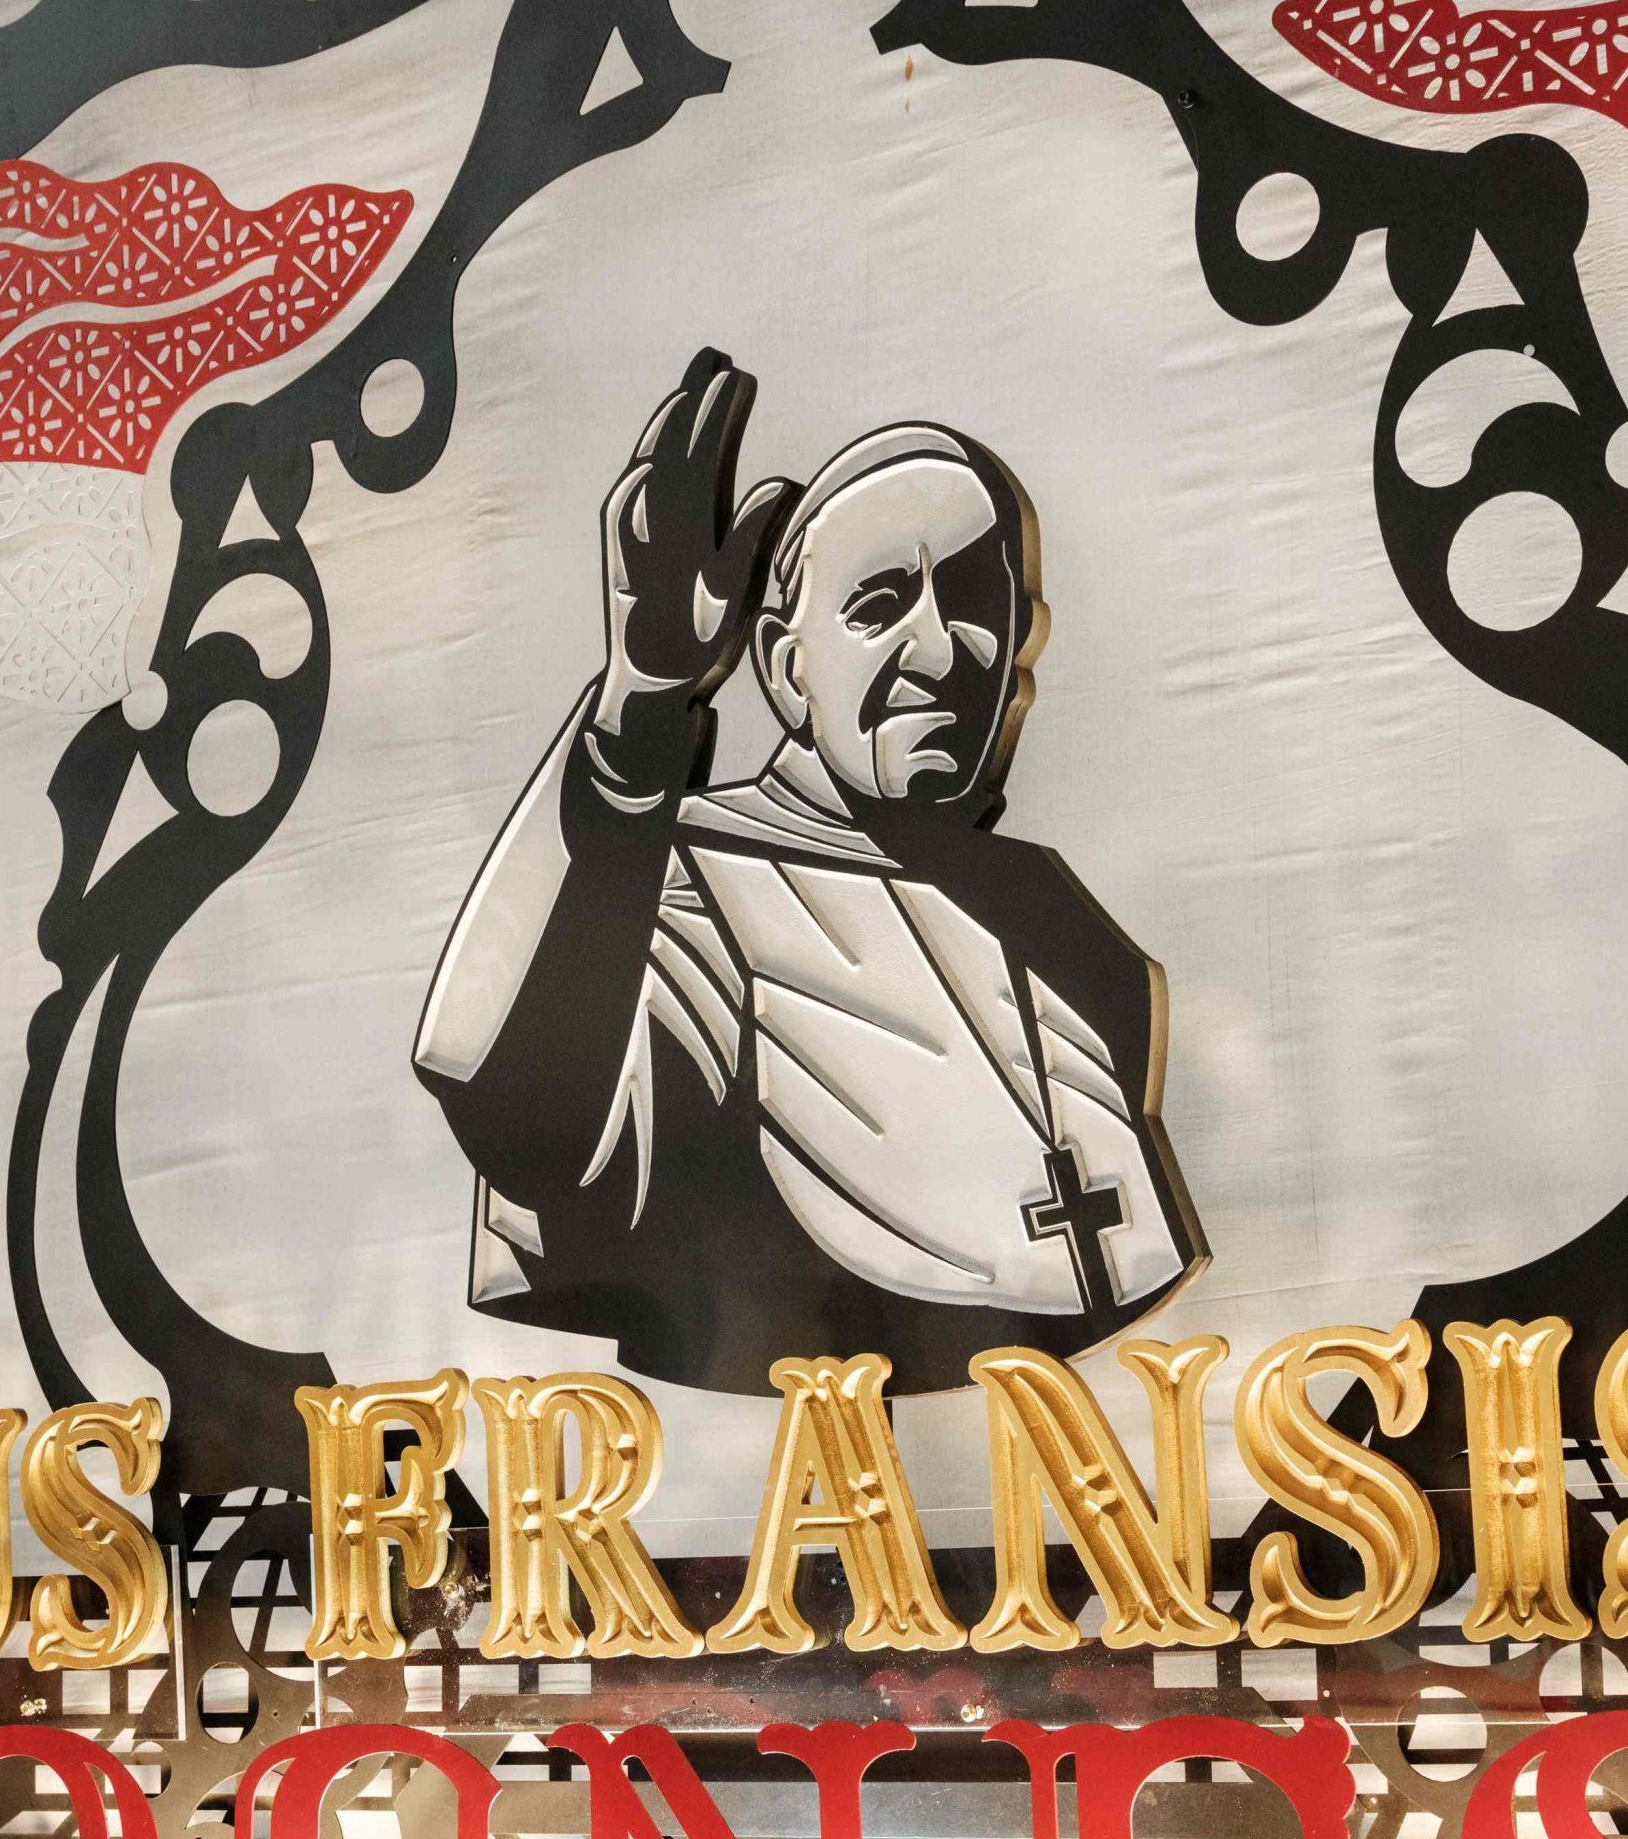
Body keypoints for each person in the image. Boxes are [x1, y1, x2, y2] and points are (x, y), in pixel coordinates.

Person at [414, 349, 1201, 1395]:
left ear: (1020, 646)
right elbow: (514, 1112)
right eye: (880, 605)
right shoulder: (676, 876)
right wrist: (641, 702)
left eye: (974, 603)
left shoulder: (1060, 923)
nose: (939, 650)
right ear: (786, 665)